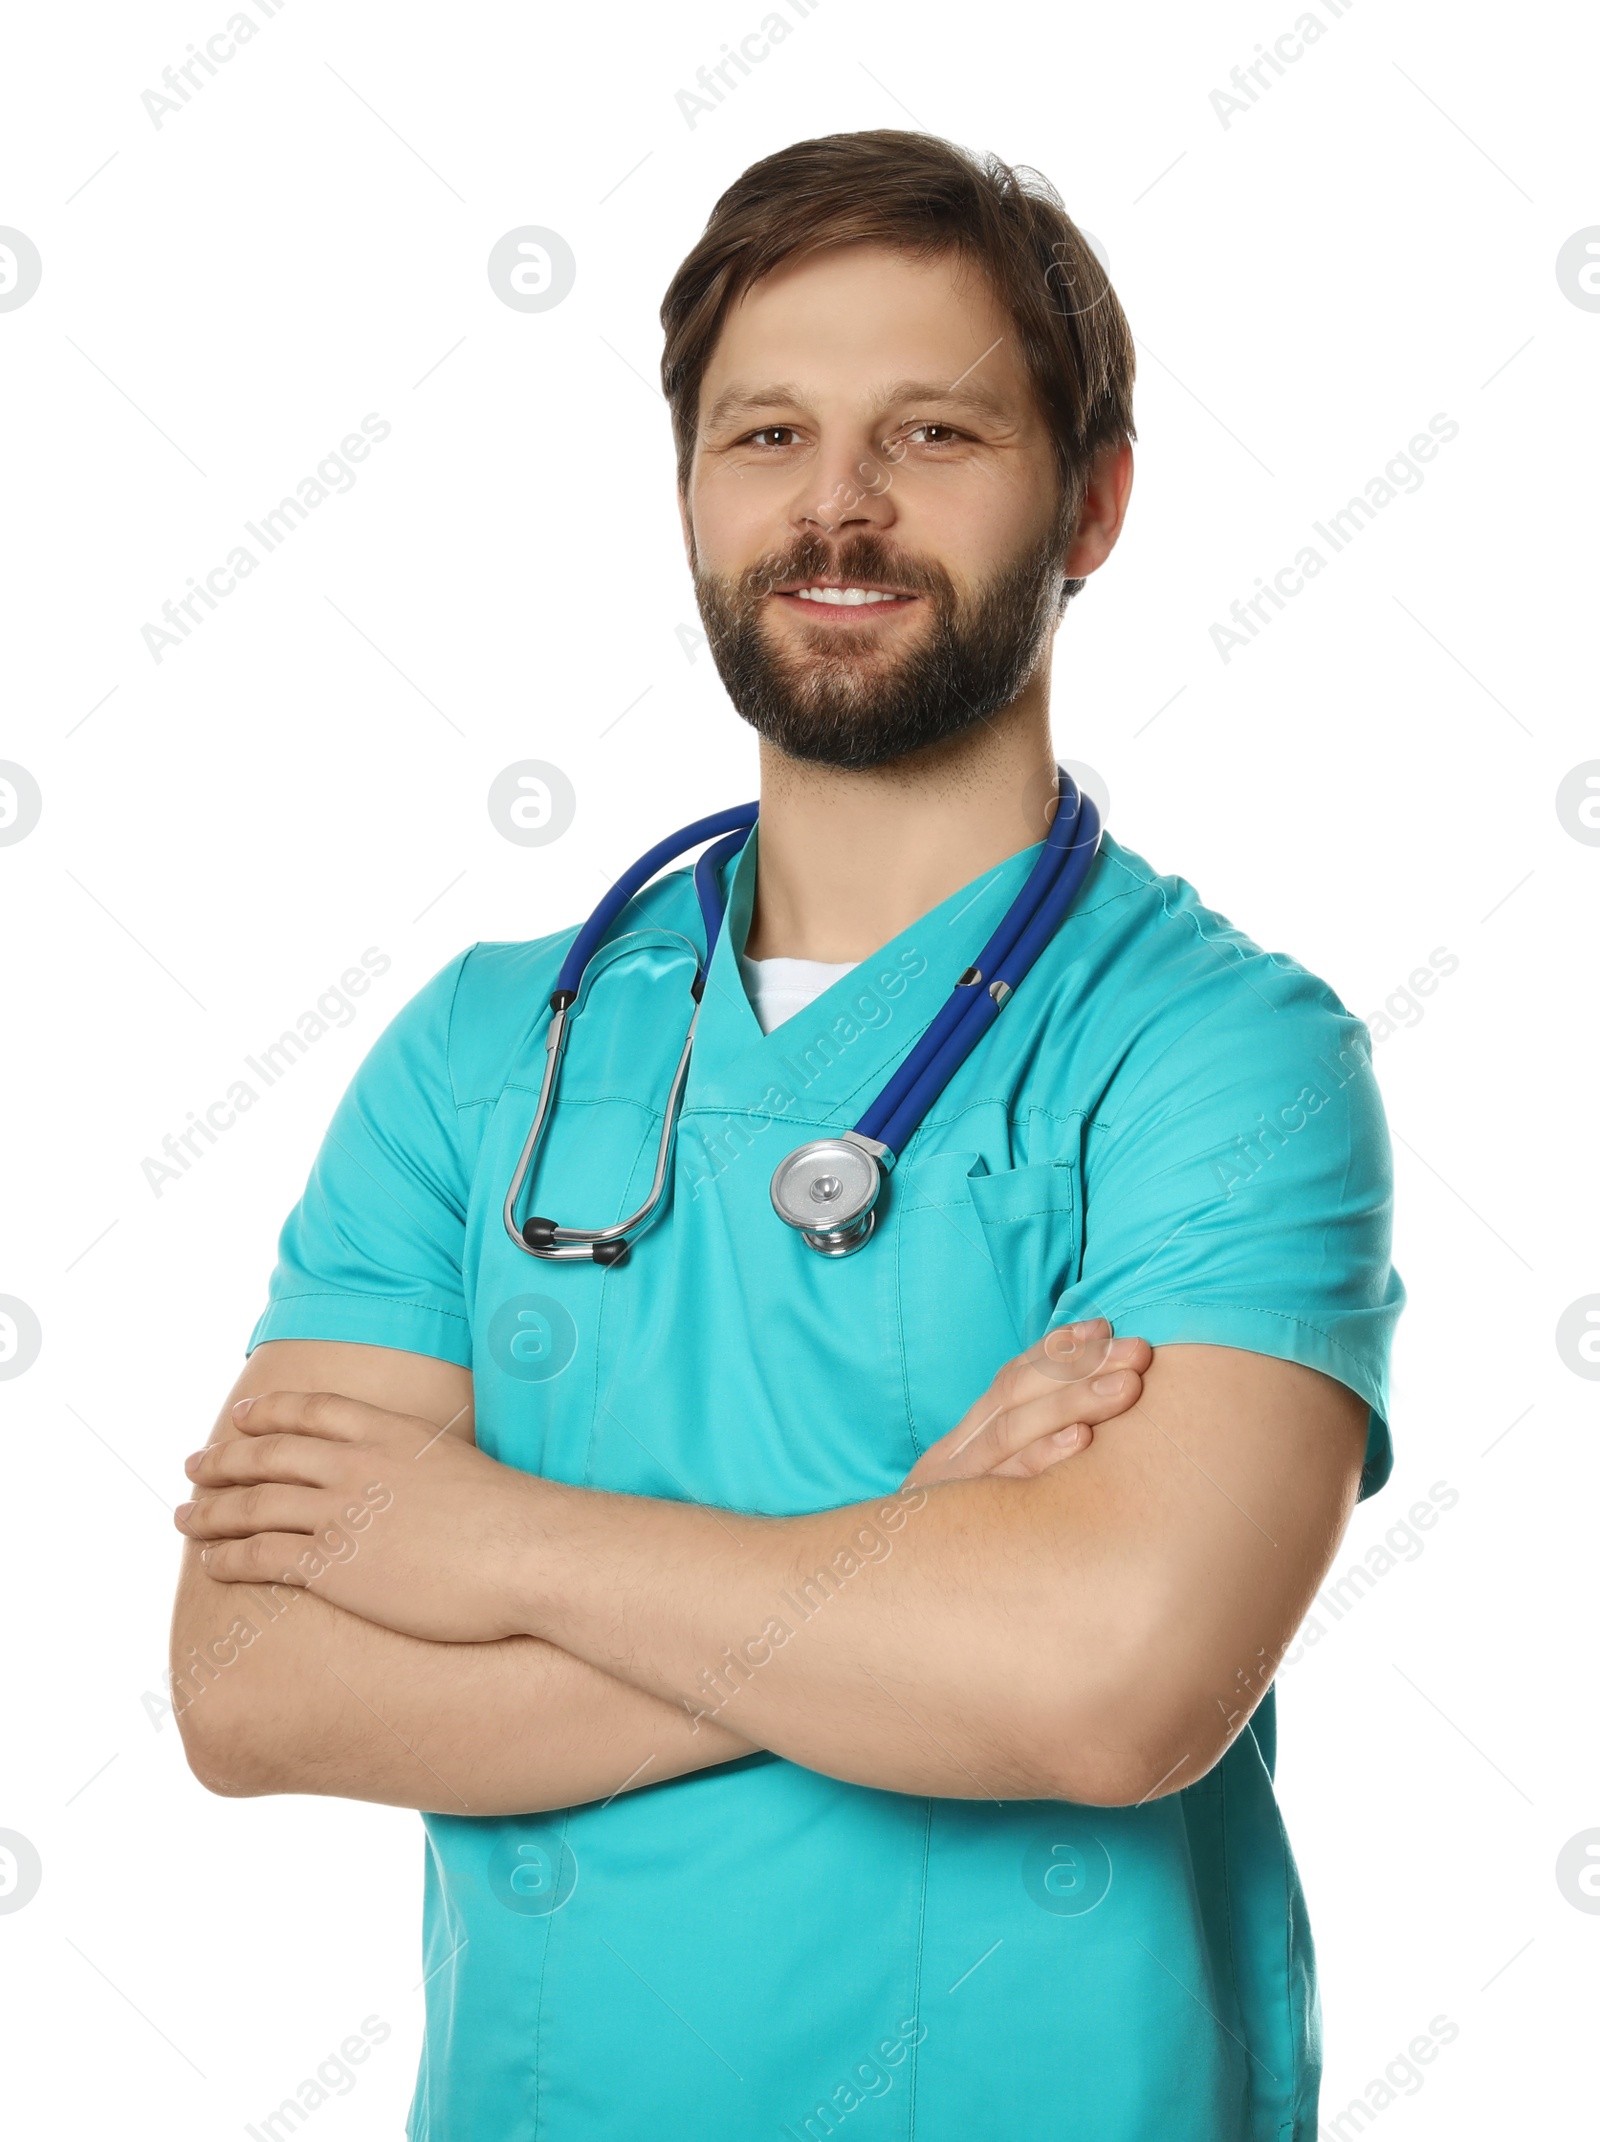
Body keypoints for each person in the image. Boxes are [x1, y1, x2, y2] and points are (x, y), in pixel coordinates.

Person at [170, 129, 1405, 2141]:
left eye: (928, 432)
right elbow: (253, 1687)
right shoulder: (487, 1051)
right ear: (686, 493)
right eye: (763, 436)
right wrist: (907, 1564)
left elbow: (1107, 1689)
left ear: (1088, 503)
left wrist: (481, 1544)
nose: (835, 507)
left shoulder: (1218, 1059)